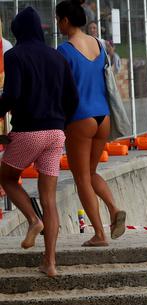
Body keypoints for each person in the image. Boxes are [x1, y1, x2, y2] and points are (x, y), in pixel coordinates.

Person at [0, 7, 79, 277]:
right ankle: (50, 262)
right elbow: (72, 99)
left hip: (28, 132)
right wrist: (59, 121)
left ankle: (33, 220)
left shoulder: (13, 56)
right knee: (50, 200)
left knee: (7, 178)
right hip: (56, 134)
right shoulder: (57, 57)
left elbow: (11, 94)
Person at [56, 0, 126, 247]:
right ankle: (114, 208)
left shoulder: (64, 51)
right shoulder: (99, 45)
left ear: (65, 20)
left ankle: (99, 233)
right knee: (92, 172)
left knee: (81, 178)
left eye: (58, 20)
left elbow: (61, 89)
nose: (58, 24)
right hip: (103, 116)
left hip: (80, 118)